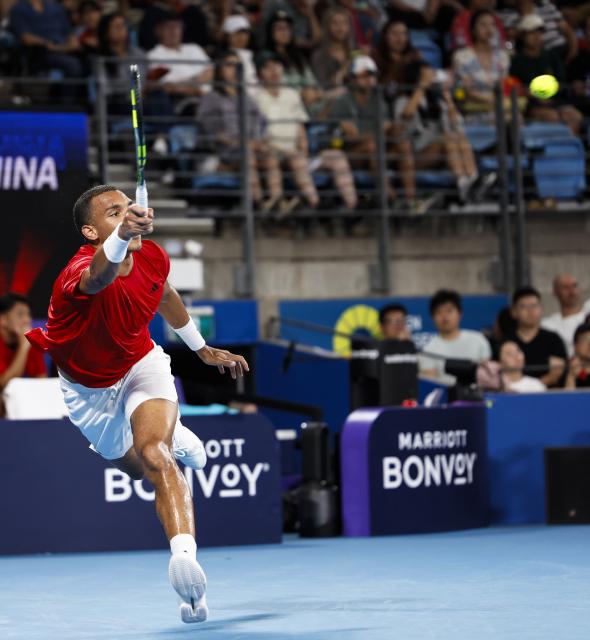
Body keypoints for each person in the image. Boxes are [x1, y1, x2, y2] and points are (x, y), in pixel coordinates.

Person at [26, 184, 249, 623]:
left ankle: (185, 560)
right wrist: (124, 235)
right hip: (89, 395)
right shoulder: (77, 275)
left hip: (140, 365)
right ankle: (174, 432)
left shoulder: (153, 256)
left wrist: (201, 348)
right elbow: (101, 276)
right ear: (92, 231)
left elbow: (163, 295)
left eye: (130, 206)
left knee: (157, 456)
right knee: (140, 466)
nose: (129, 213)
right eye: (114, 212)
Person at [254, 52, 358, 212]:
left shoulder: (291, 94)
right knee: (296, 159)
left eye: (277, 65)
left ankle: (352, 207)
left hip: (296, 153)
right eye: (267, 67)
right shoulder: (254, 97)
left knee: (337, 157)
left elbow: (300, 126)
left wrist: (303, 147)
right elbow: (258, 135)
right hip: (272, 155)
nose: (274, 70)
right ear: (259, 73)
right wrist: (290, 152)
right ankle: (312, 204)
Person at [328, 55, 429, 213]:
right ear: (353, 79)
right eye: (364, 76)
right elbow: (353, 136)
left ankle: (411, 200)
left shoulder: (378, 100)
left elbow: (387, 127)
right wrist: (383, 130)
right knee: (371, 145)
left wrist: (391, 130)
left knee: (402, 142)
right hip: (351, 155)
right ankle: (391, 199)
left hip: (377, 151)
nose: (369, 80)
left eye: (372, 75)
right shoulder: (342, 102)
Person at [196, 51, 283, 212]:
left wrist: (261, 141)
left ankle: (275, 203)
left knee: (270, 155)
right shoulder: (212, 98)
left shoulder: (247, 98)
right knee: (248, 154)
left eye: (237, 66)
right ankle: (257, 205)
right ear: (220, 70)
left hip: (250, 147)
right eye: (229, 65)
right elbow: (212, 133)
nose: (234, 69)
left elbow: (261, 124)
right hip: (226, 153)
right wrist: (245, 143)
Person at [394, 60, 481, 202]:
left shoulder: (437, 102)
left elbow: (456, 126)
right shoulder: (403, 100)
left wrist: (447, 96)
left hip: (440, 152)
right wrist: (421, 86)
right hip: (414, 156)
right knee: (448, 139)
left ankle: (470, 179)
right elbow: (406, 117)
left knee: (458, 137)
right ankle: (463, 184)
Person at [510, 14, 582, 135]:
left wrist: (550, 93)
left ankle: (568, 148)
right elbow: (516, 86)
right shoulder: (516, 61)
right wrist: (534, 95)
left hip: (555, 101)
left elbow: (561, 80)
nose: (536, 37)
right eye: (531, 33)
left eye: (539, 33)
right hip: (531, 105)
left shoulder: (551, 56)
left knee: (575, 116)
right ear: (523, 36)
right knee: (552, 117)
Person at [420, 289, 492, 383]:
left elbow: (489, 376)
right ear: (432, 318)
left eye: (449, 311)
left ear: (460, 314)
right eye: (439, 312)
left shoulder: (478, 340)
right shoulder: (428, 351)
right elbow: (431, 385)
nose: (444, 317)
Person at [452, 9, 510, 123]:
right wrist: (490, 100)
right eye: (483, 24)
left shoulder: (502, 56)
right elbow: (462, 91)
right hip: (472, 112)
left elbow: (503, 86)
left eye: (492, 24)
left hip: (499, 111)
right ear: (473, 30)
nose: (489, 29)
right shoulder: (461, 56)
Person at [506, 286, 567, 388]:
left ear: (541, 309)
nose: (530, 311)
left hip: (548, 395)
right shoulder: (506, 340)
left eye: (534, 306)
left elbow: (557, 373)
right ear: (514, 312)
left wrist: (533, 387)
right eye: (524, 306)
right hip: (513, 393)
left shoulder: (553, 339)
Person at [9, 0, 83, 78]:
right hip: (40, 53)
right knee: (73, 65)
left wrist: (73, 41)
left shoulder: (56, 8)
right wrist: (47, 44)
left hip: (65, 48)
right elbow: (25, 37)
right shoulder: (18, 10)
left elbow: (68, 31)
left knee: (88, 61)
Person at [147, 14, 212, 102]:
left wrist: (189, 82)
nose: (174, 31)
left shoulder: (194, 47)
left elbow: (212, 70)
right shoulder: (154, 55)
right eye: (169, 27)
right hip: (184, 101)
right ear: (159, 30)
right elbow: (168, 87)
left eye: (178, 27)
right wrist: (196, 83)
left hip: (213, 96)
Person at [498, 0, 577, 61]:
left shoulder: (547, 7)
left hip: (561, 50)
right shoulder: (507, 14)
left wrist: (572, 52)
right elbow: (510, 36)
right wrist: (525, 14)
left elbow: (568, 31)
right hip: (537, 56)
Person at [0, 293, 47, 393]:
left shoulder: (29, 341)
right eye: (20, 314)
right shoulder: (25, 343)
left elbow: (42, 383)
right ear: (3, 319)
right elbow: (3, 386)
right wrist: (23, 347)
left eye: (28, 314)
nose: (27, 320)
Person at [541, 273, 590, 356]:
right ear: (555, 292)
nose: (571, 291)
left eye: (574, 286)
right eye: (565, 287)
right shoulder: (548, 325)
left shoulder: (588, 310)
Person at [310, 6, 354, 90]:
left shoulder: (355, 51)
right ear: (327, 27)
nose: (340, 28)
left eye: (344, 23)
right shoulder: (319, 56)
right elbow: (323, 85)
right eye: (335, 23)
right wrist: (344, 69)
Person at [222, 14, 258, 91]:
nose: (241, 37)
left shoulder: (254, 56)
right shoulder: (223, 58)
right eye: (237, 33)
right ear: (228, 36)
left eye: (245, 33)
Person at [565, 323, 590, 389]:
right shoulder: (564, 367)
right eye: (585, 340)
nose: (589, 344)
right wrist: (571, 375)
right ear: (575, 345)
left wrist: (581, 374)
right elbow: (567, 397)